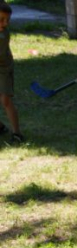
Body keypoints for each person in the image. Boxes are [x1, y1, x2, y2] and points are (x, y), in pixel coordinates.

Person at [0, 2, 22, 143]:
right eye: (1, 19)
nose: (5, 23)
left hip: (4, 69)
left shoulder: (3, 35)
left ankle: (17, 133)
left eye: (7, 20)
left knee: (5, 100)